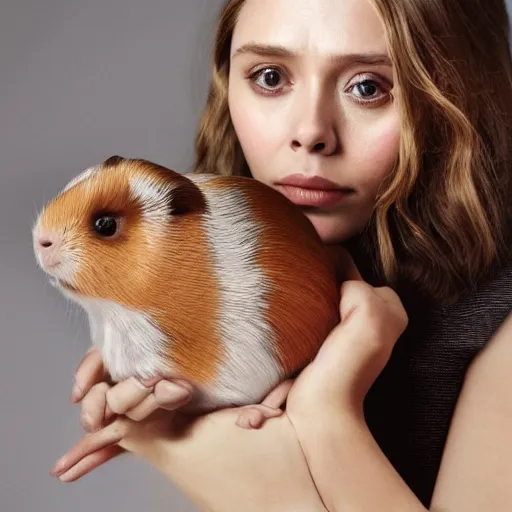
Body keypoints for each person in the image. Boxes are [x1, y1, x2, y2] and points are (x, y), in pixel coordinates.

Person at [50, 0, 512, 510]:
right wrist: (169, 426)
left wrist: (322, 418)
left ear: (458, 95)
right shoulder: (214, 284)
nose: (310, 132)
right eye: (270, 77)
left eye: (368, 87)